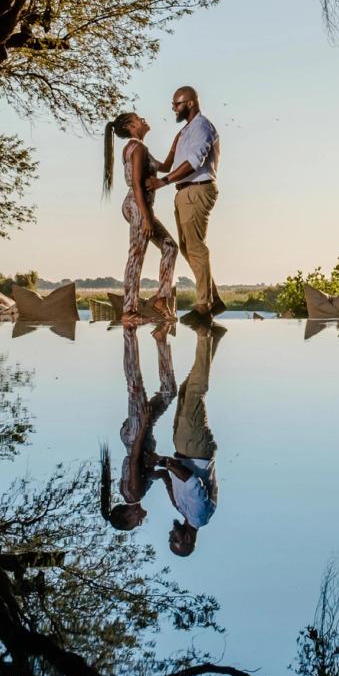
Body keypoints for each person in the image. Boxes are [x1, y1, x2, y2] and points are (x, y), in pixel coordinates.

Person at [146, 86, 224, 317]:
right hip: (184, 191)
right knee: (188, 248)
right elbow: (169, 163)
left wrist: (164, 181)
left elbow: (194, 162)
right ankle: (214, 300)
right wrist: (141, 154)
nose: (173, 108)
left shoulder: (201, 127)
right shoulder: (185, 132)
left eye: (176, 104)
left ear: (190, 103)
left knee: (196, 247)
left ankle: (203, 306)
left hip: (197, 190)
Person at [98, 322, 176, 530]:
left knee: (134, 382)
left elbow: (134, 459)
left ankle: (129, 330)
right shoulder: (137, 493)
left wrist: (143, 425)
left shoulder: (132, 493)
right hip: (138, 433)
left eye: (135, 523)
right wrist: (171, 489)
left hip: (137, 434)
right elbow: (159, 473)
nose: (140, 522)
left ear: (127, 516)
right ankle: (161, 338)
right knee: (168, 393)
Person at [103, 111, 179, 320]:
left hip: (141, 206)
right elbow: (136, 184)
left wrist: (175, 143)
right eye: (138, 118)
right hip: (138, 206)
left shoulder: (140, 148)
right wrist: (146, 218)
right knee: (136, 256)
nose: (143, 119)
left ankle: (161, 299)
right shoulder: (137, 148)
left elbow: (164, 167)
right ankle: (129, 311)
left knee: (170, 247)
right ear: (129, 126)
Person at [158, 320, 223, 555]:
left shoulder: (185, 512)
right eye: (173, 540)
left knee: (186, 390)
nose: (170, 535)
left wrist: (158, 469)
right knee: (196, 391)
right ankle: (204, 334)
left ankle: (214, 336)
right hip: (195, 448)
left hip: (185, 447)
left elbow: (171, 479)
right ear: (185, 540)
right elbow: (192, 481)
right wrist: (167, 464)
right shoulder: (199, 516)